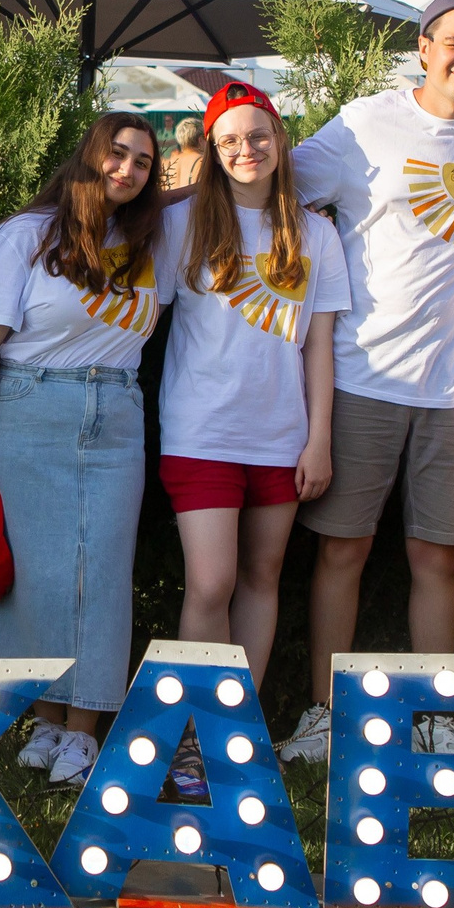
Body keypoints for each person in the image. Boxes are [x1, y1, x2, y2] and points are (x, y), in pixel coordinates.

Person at [281, 0, 454, 763]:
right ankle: (325, 715)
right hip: (362, 377)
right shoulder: (365, 124)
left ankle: (436, 719)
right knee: (342, 551)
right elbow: (275, 188)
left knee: (439, 557)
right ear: (424, 47)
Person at [0, 112, 164, 787]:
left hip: (117, 413)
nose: (128, 169)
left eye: (143, 160)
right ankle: (46, 719)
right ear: (88, 154)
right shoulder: (23, 237)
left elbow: (206, 199)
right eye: (118, 153)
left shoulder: (146, 240)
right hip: (29, 406)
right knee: (38, 577)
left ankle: (84, 731)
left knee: (101, 572)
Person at [155, 82, 346, 686]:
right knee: (211, 584)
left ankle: (242, 734)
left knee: (263, 580)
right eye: (230, 140)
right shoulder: (179, 223)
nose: (247, 149)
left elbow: (319, 345)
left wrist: (319, 441)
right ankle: (195, 736)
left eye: (258, 135)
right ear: (211, 149)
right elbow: (138, 314)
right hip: (200, 430)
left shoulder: (316, 233)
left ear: (281, 140)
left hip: (281, 436)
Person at [160, 116, 207, 191]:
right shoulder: (202, 162)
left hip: (170, 202)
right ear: (200, 140)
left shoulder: (168, 163)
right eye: (206, 139)